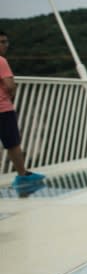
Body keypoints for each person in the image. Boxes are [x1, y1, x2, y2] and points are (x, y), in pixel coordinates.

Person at [0, 31, 46, 188]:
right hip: (3, 109)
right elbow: (9, 85)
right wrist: (12, 91)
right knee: (13, 143)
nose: (5, 45)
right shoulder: (1, 61)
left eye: (6, 42)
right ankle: (22, 175)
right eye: (2, 42)